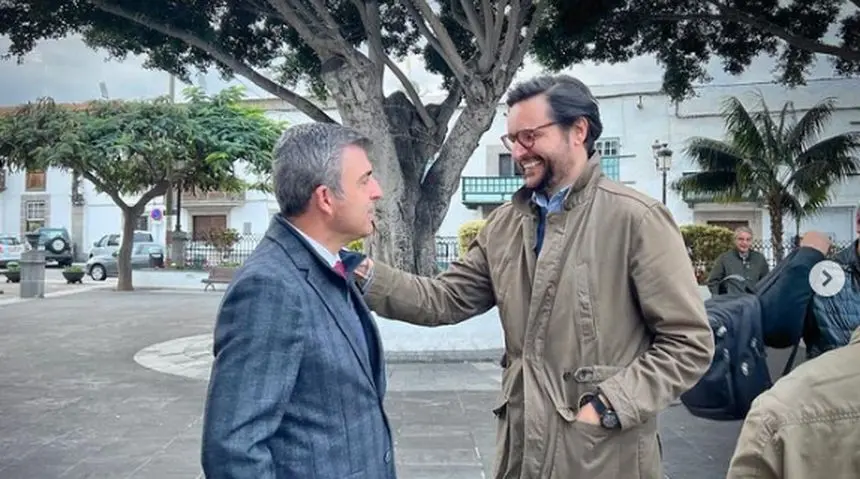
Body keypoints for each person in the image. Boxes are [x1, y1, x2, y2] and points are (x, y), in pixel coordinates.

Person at [356, 74, 714, 479]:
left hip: (602, 457)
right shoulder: (504, 225)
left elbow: (689, 343)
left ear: (578, 130)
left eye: (530, 136)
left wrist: (606, 406)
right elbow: (445, 298)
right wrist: (364, 275)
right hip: (521, 450)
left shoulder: (637, 219)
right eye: (512, 140)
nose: (519, 151)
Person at [201, 123, 395, 479]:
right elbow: (233, 450)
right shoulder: (271, 287)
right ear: (325, 198)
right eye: (365, 180)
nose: (377, 191)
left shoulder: (329, 265)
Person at [706, 226, 770, 296]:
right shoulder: (724, 258)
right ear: (735, 240)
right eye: (740, 239)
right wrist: (718, 298)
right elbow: (713, 281)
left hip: (753, 302)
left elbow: (766, 282)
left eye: (748, 239)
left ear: (751, 241)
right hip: (731, 302)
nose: (744, 243)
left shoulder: (759, 258)